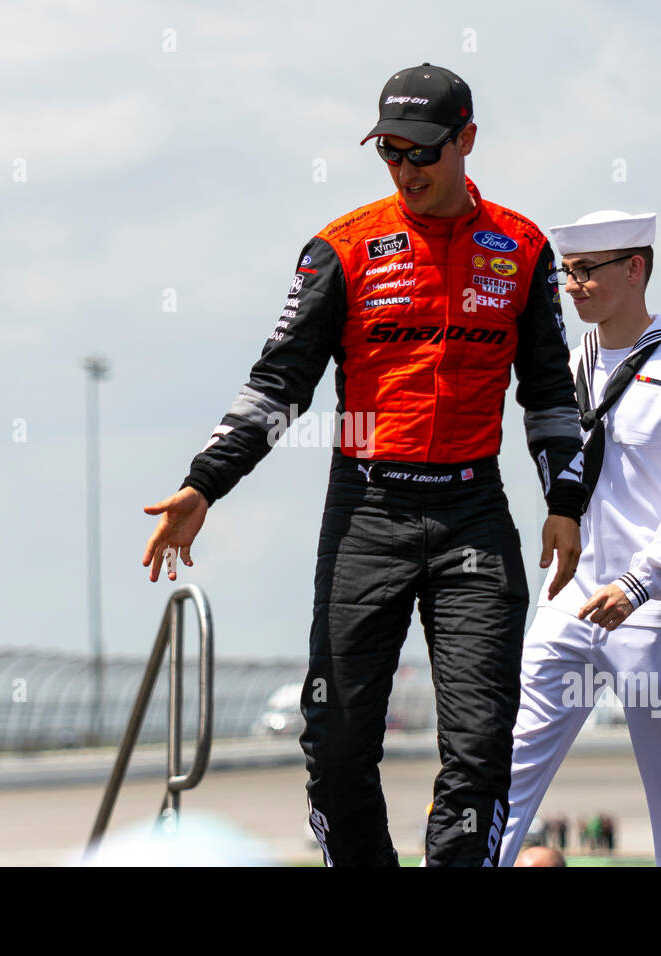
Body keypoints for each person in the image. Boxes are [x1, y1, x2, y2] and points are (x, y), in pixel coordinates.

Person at [142, 63, 588, 866]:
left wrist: (565, 499)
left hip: (473, 514)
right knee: (339, 746)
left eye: (422, 151)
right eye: (389, 152)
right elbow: (279, 383)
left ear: (466, 141)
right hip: (367, 512)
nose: (406, 170)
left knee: (482, 747)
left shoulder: (521, 248)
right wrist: (205, 482)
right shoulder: (341, 249)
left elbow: (550, 390)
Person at [499, 210, 661, 867]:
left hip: (651, 611)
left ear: (634, 270)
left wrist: (641, 583)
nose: (573, 286)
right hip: (565, 601)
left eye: (586, 271)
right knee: (502, 765)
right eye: (565, 273)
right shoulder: (555, 370)